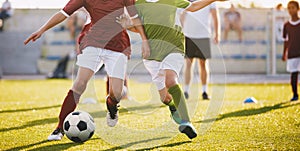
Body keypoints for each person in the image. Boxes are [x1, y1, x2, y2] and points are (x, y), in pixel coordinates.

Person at [24, 0, 150, 141]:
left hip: (118, 46)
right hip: (93, 42)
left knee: (117, 93)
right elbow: (63, 13)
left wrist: (144, 41)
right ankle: (59, 128)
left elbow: (135, 18)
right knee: (79, 84)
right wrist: (42, 30)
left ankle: (112, 106)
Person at [118, 0, 227, 139]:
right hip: (152, 53)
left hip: (173, 46)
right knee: (165, 98)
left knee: (171, 80)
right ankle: (172, 105)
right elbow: (138, 26)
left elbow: (193, 7)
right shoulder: (138, 3)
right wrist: (127, 26)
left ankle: (187, 121)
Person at [181, 1, 220, 100]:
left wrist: (217, 33)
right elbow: (182, 14)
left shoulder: (210, 2)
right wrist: (180, 30)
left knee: (203, 63)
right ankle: (185, 91)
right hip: (188, 35)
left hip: (204, 35)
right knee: (188, 63)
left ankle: (204, 91)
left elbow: (215, 16)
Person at [282, 0, 300, 102]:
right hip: (292, 54)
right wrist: (284, 53)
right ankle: (295, 94)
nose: (290, 10)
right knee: (293, 75)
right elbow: (286, 40)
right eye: (289, 8)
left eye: (293, 7)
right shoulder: (286, 25)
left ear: (298, 9)